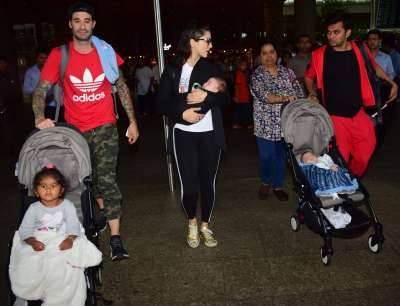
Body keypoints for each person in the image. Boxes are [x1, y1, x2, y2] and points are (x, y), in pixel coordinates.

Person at [32, 2, 139, 261]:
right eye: (77, 20)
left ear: (93, 24)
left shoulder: (105, 51)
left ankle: (115, 240)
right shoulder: (60, 55)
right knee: (83, 182)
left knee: (107, 179)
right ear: (70, 24)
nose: (82, 25)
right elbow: (40, 90)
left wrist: (132, 121)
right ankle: (97, 215)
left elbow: (122, 86)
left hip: (104, 125)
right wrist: (39, 117)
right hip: (74, 131)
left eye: (87, 20)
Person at [156, 22, 230, 248]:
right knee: (189, 186)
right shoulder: (172, 70)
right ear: (192, 42)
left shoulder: (213, 68)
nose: (210, 44)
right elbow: (161, 104)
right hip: (183, 136)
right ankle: (191, 222)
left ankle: (206, 225)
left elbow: (226, 100)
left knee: (208, 184)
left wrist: (206, 98)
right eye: (206, 40)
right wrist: (182, 114)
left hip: (209, 135)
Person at [304, 12, 398, 177]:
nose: (331, 36)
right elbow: (308, 77)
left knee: (366, 152)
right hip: (335, 117)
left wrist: (392, 83)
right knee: (341, 158)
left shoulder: (360, 49)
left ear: (348, 33)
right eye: (329, 32)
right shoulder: (320, 54)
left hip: (358, 113)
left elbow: (375, 67)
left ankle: (350, 179)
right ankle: (343, 184)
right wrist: (312, 93)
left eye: (336, 32)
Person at [10, 166, 102, 306]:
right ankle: (27, 293)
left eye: (53, 186)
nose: (48, 190)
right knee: (29, 260)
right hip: (40, 238)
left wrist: (70, 239)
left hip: (62, 237)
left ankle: (60, 298)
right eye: (43, 186)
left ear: (61, 189)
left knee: (65, 266)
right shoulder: (34, 208)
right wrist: (32, 241)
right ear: (36, 191)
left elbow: (73, 226)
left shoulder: (67, 205)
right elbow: (25, 229)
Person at [250, 41, 304, 201]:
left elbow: (299, 92)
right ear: (260, 56)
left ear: (277, 54)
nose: (268, 56)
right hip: (264, 124)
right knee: (266, 156)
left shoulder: (288, 73)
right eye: (264, 53)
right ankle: (266, 181)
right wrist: (285, 98)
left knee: (282, 157)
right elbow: (264, 96)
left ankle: (278, 185)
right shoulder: (257, 75)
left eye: (271, 52)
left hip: (286, 124)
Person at [23, 51, 61, 121]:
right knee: (41, 127)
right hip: (38, 104)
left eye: (46, 58)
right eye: (41, 58)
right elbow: (26, 89)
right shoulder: (30, 72)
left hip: (52, 104)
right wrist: (39, 91)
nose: (44, 60)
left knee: (54, 126)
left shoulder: (53, 70)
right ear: (37, 59)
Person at [232, 59, 252, 129]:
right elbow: (237, 86)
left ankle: (242, 124)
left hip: (245, 96)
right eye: (243, 65)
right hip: (241, 97)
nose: (245, 66)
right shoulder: (239, 74)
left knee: (242, 111)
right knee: (241, 111)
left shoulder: (244, 73)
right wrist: (236, 97)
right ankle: (238, 124)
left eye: (245, 65)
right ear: (239, 66)